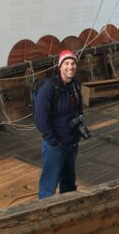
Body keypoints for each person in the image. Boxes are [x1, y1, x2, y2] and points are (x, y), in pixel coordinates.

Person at [35, 50, 83, 199]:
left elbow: (79, 110)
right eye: (66, 63)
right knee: (48, 187)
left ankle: (68, 208)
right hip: (55, 145)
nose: (70, 67)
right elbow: (40, 119)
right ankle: (45, 211)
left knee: (69, 184)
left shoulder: (75, 85)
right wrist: (54, 141)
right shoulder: (49, 88)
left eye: (73, 63)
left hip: (71, 143)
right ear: (60, 66)